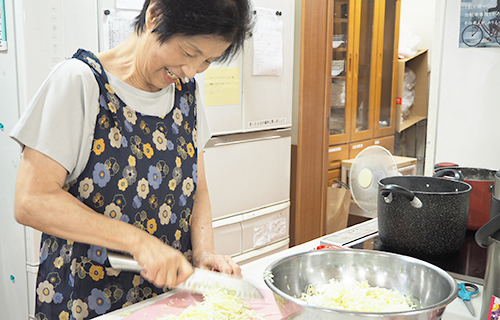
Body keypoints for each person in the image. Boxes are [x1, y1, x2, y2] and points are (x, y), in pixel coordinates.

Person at [10, 0, 252, 319]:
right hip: (87, 299)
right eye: (190, 52)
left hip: (167, 300)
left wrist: (204, 251)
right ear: (154, 15)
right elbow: (32, 200)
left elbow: (198, 187)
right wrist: (137, 242)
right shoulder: (81, 82)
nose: (191, 71)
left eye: (208, 60)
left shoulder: (186, 93)